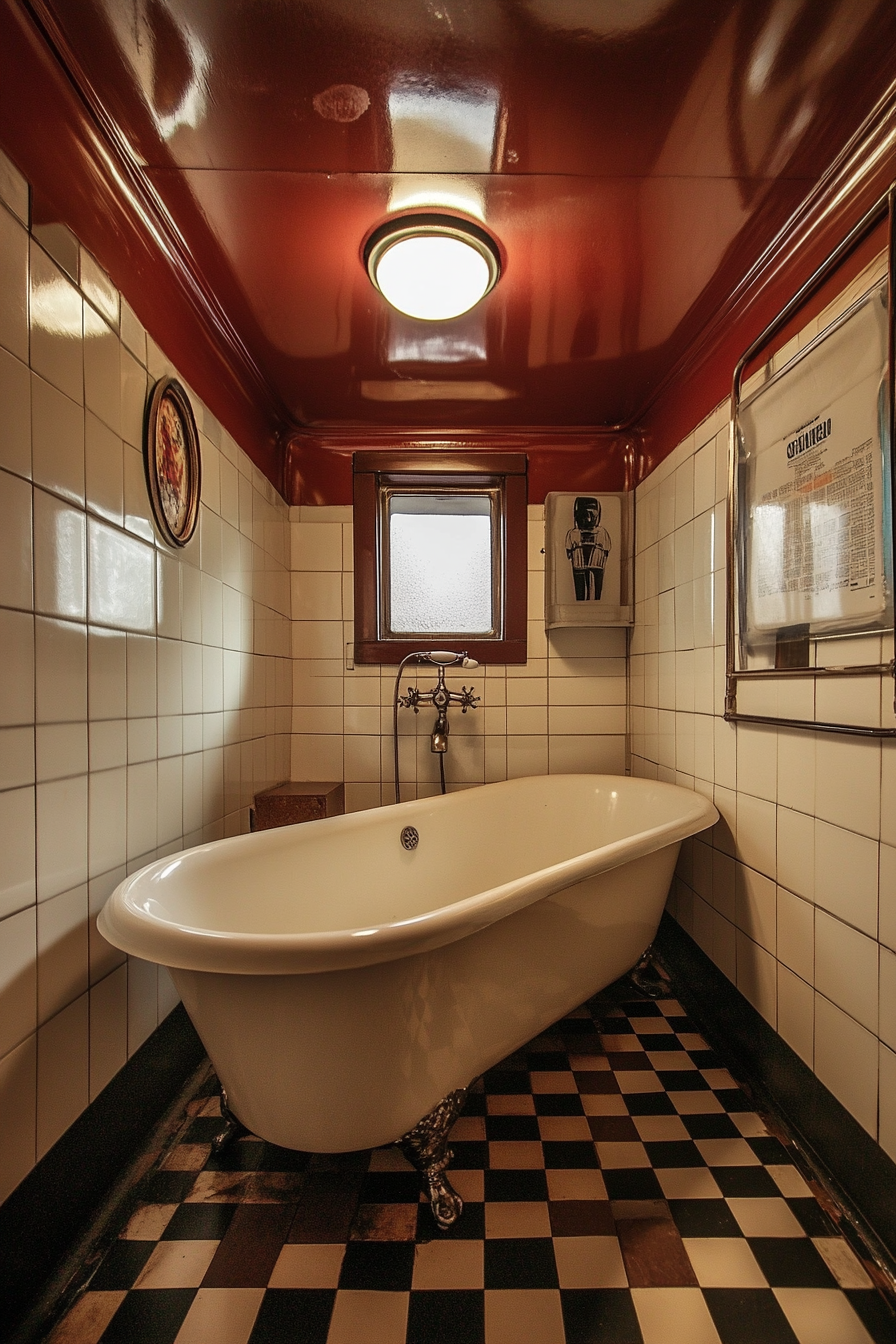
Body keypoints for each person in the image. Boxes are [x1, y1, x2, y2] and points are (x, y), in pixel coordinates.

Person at [566, 496, 611, 600]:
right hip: (580, 562)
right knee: (580, 589)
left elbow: (607, 549)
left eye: (592, 514)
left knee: (596, 591)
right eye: (584, 515)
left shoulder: (602, 532)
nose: (588, 519)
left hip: (596, 563)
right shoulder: (573, 533)